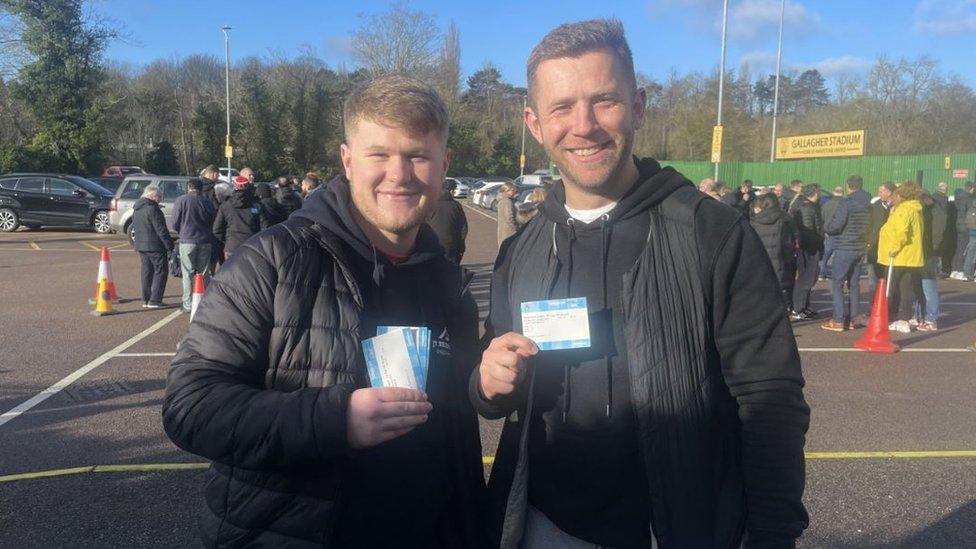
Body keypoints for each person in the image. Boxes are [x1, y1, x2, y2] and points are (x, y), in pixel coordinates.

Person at [471, 19, 809, 549]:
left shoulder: (712, 232)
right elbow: (492, 387)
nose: (583, 126)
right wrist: (487, 385)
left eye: (604, 101)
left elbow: (771, 400)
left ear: (639, 106)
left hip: (676, 528)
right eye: (562, 108)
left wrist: (773, 534)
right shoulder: (523, 249)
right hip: (545, 526)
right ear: (535, 124)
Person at [163, 75, 487, 548]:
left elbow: (455, 410)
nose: (399, 174)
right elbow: (190, 407)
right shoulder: (271, 260)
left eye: (418, 155)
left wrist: (489, 384)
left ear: (444, 165)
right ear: (348, 160)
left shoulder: (445, 280)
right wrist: (335, 420)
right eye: (379, 154)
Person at [821, 176, 871, 331]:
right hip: (859, 246)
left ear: (849, 186)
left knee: (837, 283)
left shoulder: (847, 203)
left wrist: (827, 227)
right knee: (854, 284)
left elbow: (836, 225)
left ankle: (838, 320)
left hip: (845, 246)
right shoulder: (868, 205)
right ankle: (853, 318)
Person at [879, 182, 925, 333]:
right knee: (906, 288)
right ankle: (904, 318)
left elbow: (901, 232)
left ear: (901, 195)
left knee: (890, 288)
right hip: (910, 256)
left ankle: (889, 316)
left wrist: (893, 248)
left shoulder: (904, 210)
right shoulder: (916, 209)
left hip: (898, 256)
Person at [172, 177, 216, 313]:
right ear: (201, 188)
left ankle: (188, 303)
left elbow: (175, 223)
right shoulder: (207, 202)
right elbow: (212, 220)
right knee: (204, 272)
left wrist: (182, 231)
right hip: (205, 239)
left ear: (188, 187)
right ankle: (204, 301)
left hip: (187, 239)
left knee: (187, 273)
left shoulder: (181, 200)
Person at [130, 185, 174, 308]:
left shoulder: (137, 209)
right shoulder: (153, 209)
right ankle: (155, 300)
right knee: (161, 271)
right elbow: (161, 230)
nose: (160, 199)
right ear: (153, 196)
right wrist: (170, 246)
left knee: (146, 272)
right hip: (155, 246)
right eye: (159, 197)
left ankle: (146, 299)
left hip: (141, 245)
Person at [750, 193, 795, 305]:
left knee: (759, 287)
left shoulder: (754, 220)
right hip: (777, 259)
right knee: (776, 288)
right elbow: (787, 243)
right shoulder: (783, 219)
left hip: (758, 259)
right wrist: (789, 259)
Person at [790, 183, 823, 320]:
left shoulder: (806, 205)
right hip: (808, 248)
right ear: (814, 193)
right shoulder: (808, 207)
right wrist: (817, 246)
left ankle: (804, 306)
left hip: (808, 246)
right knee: (806, 278)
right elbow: (810, 230)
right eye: (818, 192)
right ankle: (799, 308)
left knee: (809, 278)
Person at [212, 176, 266, 258]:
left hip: (231, 245)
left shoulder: (226, 205)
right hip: (251, 246)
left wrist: (226, 240)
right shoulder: (256, 205)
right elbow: (264, 227)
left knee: (231, 270)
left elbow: (217, 229)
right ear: (248, 186)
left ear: (234, 185)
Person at [916, 190, 945, 331]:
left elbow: (937, 233)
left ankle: (931, 319)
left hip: (929, 253)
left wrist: (932, 248)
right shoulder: (927, 208)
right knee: (921, 285)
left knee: (929, 286)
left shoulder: (934, 210)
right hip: (923, 251)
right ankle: (921, 317)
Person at [427, 177, 468, 263]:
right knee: (448, 272)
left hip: (430, 244)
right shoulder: (456, 206)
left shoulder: (429, 204)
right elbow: (463, 228)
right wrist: (460, 245)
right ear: (451, 191)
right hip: (450, 245)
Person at [867, 182, 895, 292]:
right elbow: (869, 225)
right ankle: (873, 304)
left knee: (888, 280)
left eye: (881, 191)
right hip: (874, 246)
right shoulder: (875, 207)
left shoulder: (897, 207)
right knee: (873, 280)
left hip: (889, 248)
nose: (879, 193)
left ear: (889, 192)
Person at [819, 186, 845, 279]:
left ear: (834, 192)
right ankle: (840, 276)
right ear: (843, 193)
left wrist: (824, 230)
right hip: (842, 233)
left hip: (828, 233)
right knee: (840, 257)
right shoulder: (845, 204)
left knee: (825, 255)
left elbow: (821, 219)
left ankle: (821, 274)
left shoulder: (827, 204)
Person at [950, 183, 972, 279]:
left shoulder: (957, 198)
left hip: (957, 225)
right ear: (971, 189)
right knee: (964, 249)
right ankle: (960, 270)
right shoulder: (968, 199)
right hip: (966, 226)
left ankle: (954, 270)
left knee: (958, 248)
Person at [934, 182, 953, 277]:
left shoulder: (933, 197)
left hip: (936, 225)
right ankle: (938, 269)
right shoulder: (943, 199)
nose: (945, 189)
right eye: (945, 188)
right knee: (940, 248)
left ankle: (936, 269)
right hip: (942, 226)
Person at [495, 182, 518, 247]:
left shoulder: (502, 200)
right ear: (506, 190)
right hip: (509, 232)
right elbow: (509, 218)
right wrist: (515, 229)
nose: (514, 192)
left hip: (502, 230)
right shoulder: (507, 201)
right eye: (512, 190)